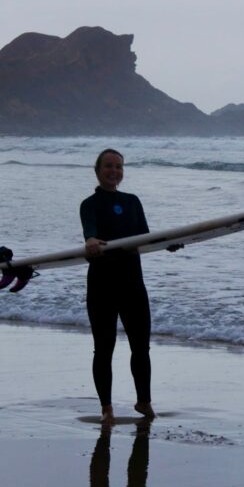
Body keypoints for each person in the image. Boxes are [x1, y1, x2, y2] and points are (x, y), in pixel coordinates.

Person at [80, 148, 156, 425]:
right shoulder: (89, 204)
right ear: (97, 170)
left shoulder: (132, 201)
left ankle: (144, 401)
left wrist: (169, 243)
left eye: (119, 167)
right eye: (109, 166)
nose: (114, 171)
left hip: (132, 283)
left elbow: (146, 238)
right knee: (104, 348)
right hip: (102, 284)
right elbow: (89, 232)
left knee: (142, 346)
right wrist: (90, 240)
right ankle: (106, 407)